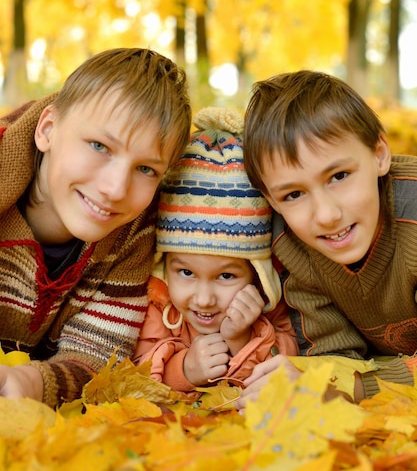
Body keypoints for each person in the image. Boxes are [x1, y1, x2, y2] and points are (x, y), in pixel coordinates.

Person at [0, 47, 191, 407]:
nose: (116, 189)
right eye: (99, 146)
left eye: (146, 169)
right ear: (48, 130)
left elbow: (98, 354)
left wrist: (34, 382)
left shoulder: (133, 231)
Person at [236, 68, 417, 409]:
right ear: (272, 200)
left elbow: (347, 381)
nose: (326, 215)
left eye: (339, 176)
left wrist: (352, 388)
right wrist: (310, 384)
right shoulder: (291, 244)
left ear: (379, 154)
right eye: (293, 194)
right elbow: (334, 357)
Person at [133, 107, 298, 394]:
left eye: (225, 276)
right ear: (165, 265)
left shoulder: (267, 304)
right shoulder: (157, 304)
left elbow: (289, 359)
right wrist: (183, 370)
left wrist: (241, 339)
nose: (205, 299)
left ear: (257, 273)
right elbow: (132, 371)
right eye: (186, 272)